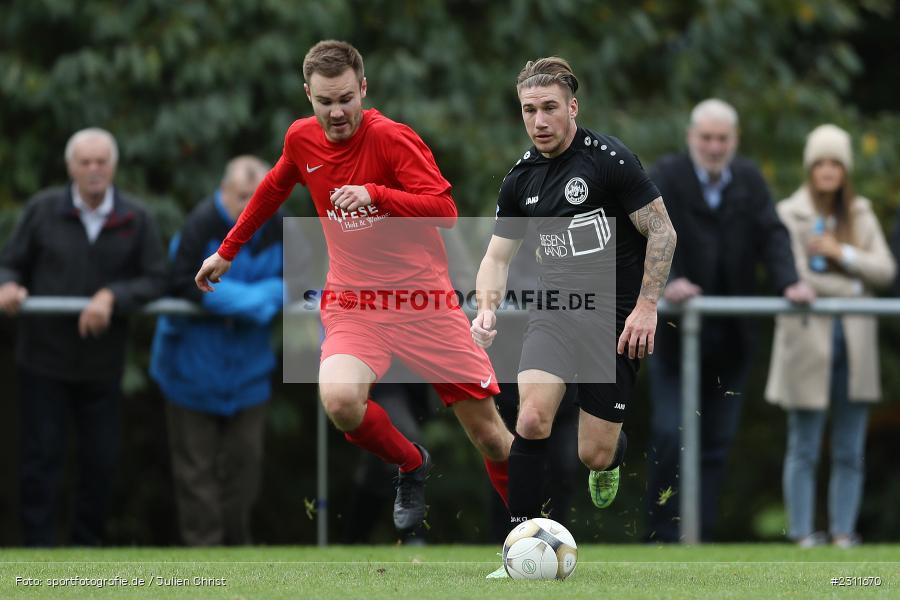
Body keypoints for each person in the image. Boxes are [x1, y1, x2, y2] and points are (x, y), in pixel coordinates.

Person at [193, 40, 513, 534]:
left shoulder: (392, 139)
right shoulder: (301, 139)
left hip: (422, 302)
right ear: (308, 95)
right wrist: (227, 251)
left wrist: (376, 195)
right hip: (353, 302)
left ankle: (537, 529)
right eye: (325, 101)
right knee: (341, 402)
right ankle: (411, 464)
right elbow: (273, 188)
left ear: (363, 88)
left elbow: (446, 210)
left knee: (490, 437)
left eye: (346, 98)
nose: (337, 112)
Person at [470, 57, 677, 576]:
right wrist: (487, 309)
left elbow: (663, 231)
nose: (539, 120)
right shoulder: (520, 179)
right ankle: (516, 549)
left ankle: (614, 454)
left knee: (593, 455)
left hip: (615, 320)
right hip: (556, 312)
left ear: (572, 108)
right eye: (529, 110)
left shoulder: (608, 161)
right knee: (531, 418)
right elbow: (496, 257)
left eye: (549, 108)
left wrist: (647, 306)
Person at [645, 99, 815, 543]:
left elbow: (772, 235)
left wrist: (789, 283)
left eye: (722, 139)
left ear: (734, 141)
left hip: (730, 342)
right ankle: (661, 538)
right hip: (676, 339)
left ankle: (699, 538)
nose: (715, 147)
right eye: (707, 138)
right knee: (670, 436)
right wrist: (670, 282)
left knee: (716, 445)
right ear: (691, 138)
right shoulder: (667, 176)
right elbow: (647, 233)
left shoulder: (749, 180)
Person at [0, 128, 166, 546]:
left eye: (101, 162)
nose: (94, 169)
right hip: (42, 361)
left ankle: (86, 551)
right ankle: (37, 553)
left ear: (114, 167)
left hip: (102, 365)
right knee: (40, 460)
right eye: (85, 162)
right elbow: (10, 264)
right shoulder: (41, 211)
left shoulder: (137, 218)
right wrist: (8, 285)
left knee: (100, 462)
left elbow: (156, 279)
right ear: (70, 167)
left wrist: (113, 296)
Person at [765, 124, 896, 548]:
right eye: (819, 162)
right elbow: (798, 275)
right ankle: (802, 533)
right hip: (807, 344)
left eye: (834, 163)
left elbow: (885, 270)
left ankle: (843, 532)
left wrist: (844, 254)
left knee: (849, 448)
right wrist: (855, 288)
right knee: (803, 445)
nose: (826, 170)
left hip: (856, 346)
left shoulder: (861, 213)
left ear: (845, 169)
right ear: (809, 167)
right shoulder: (790, 212)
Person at [150, 156, 285, 545]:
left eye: (259, 197)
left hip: (249, 375)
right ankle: (204, 558)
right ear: (223, 191)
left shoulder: (280, 227)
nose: (250, 205)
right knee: (196, 474)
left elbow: (301, 284)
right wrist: (257, 302)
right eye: (242, 196)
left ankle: (237, 551)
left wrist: (241, 298)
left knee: (246, 468)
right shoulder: (199, 226)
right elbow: (184, 285)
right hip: (189, 370)